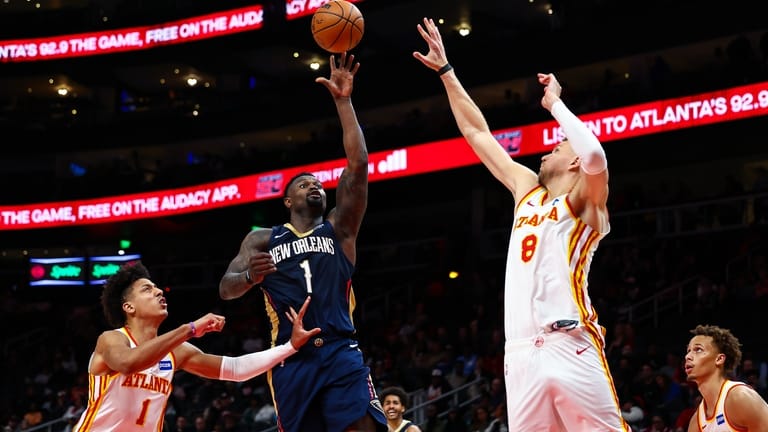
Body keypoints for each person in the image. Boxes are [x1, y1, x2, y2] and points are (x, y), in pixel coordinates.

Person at [414, 17, 628, 431]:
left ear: (573, 161)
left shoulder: (587, 204)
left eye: (558, 144)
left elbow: (597, 157)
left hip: (571, 345)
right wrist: (446, 72)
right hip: (521, 354)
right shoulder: (526, 190)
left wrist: (556, 107)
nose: (548, 149)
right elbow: (477, 132)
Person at [219, 52, 387, 432]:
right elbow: (226, 289)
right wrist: (249, 278)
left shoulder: (339, 228)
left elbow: (358, 164)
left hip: (341, 350)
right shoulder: (262, 239)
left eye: (318, 183)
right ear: (288, 200)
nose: (315, 185)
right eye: (304, 183)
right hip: (290, 359)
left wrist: (343, 103)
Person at [72, 261, 320, 432]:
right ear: (128, 307)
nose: (159, 292)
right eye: (148, 290)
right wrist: (189, 329)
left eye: (158, 288)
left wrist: (290, 346)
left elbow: (235, 369)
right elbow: (128, 363)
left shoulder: (175, 352)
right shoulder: (112, 339)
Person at [684, 324, 768, 431]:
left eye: (698, 349)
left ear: (719, 359)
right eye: (688, 350)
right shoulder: (696, 422)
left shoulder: (740, 397)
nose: (688, 356)